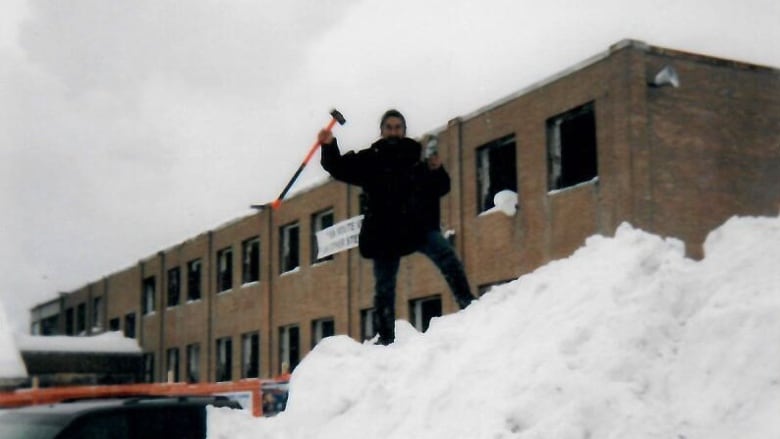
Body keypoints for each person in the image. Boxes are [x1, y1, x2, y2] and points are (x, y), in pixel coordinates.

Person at [319, 109, 476, 345]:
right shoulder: (371, 158)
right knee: (384, 288)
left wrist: (436, 170)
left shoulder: (415, 156)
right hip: (384, 233)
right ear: (382, 131)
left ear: (403, 130)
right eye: (389, 127)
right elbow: (338, 167)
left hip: (416, 226)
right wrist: (329, 145)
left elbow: (441, 188)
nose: (394, 132)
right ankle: (386, 338)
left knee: (446, 255)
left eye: (397, 127)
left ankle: (468, 303)